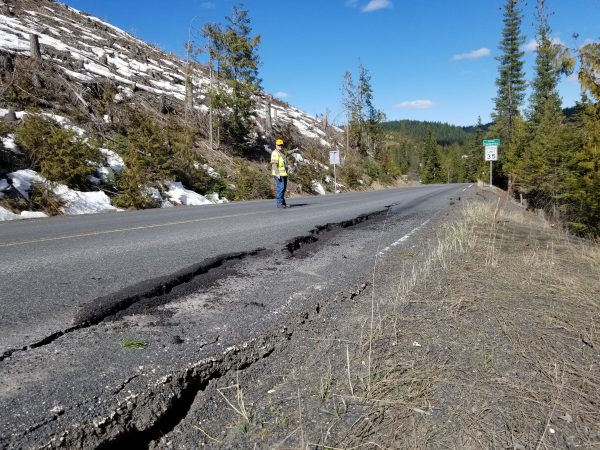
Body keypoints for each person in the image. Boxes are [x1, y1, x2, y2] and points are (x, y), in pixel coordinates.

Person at [271, 138, 288, 208]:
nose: (280, 146)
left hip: (284, 174)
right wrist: (277, 173)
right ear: (276, 145)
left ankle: (283, 203)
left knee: (283, 189)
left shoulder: (281, 153)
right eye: (279, 145)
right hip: (278, 174)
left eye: (281, 145)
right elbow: (274, 164)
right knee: (280, 188)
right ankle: (279, 203)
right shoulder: (274, 153)